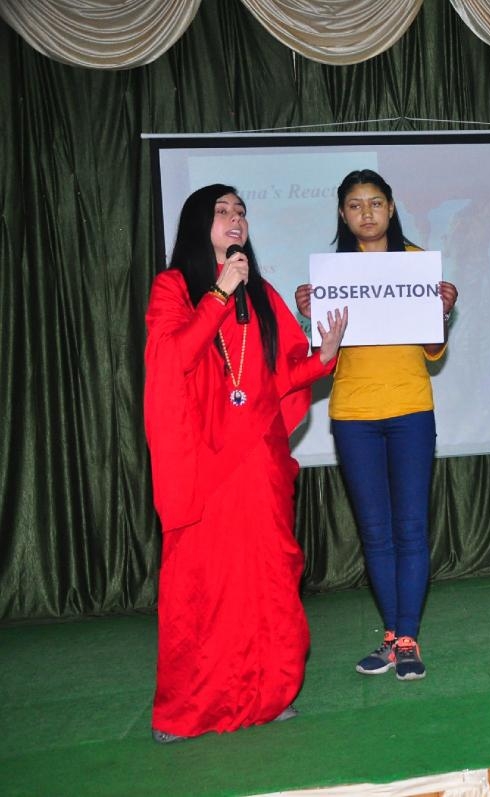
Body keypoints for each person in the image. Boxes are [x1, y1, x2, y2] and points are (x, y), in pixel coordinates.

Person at [144, 184, 347, 743]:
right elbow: (173, 358)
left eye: (241, 212)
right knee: (201, 585)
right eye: (221, 212)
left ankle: (269, 693)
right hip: (204, 465)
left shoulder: (261, 294)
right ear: (196, 225)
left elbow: (272, 381)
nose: (235, 220)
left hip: (258, 462)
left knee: (268, 579)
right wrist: (216, 293)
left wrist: (322, 358)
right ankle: (187, 710)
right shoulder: (174, 288)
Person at [295, 169, 458, 680]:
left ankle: (406, 637)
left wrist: (442, 313)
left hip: (410, 409)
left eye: (375, 203)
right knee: (376, 533)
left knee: (411, 529)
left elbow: (432, 353)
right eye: (355, 205)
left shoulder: (415, 265)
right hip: (353, 415)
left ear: (391, 209)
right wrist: (310, 318)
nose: (366, 213)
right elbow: (325, 360)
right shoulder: (331, 274)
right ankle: (392, 636)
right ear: (343, 214)